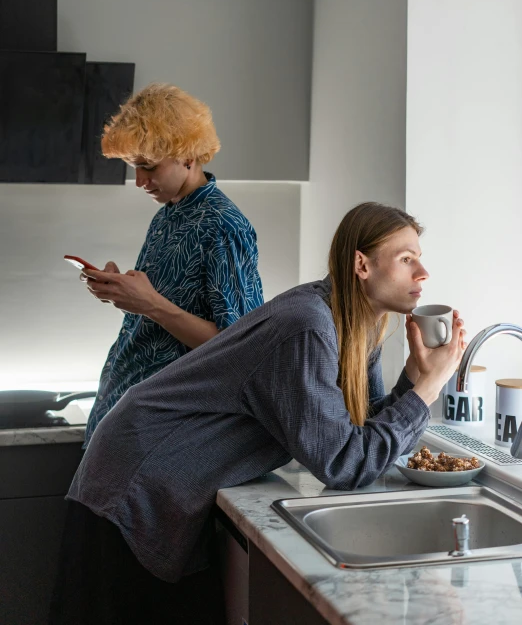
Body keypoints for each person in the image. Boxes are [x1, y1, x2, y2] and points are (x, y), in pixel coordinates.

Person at [50, 202, 467, 624]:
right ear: (362, 264)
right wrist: (428, 389)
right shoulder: (307, 325)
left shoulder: (355, 324)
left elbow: (360, 434)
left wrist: (415, 381)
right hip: (133, 483)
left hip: (165, 480)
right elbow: (343, 462)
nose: (423, 273)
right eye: (406, 259)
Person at [81, 83, 264, 446]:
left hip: (162, 430)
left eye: (147, 168)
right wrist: (126, 295)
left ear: (188, 157)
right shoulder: (168, 215)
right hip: (125, 416)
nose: (139, 182)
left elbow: (242, 348)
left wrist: (149, 304)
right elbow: (161, 317)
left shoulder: (224, 225)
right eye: (134, 168)